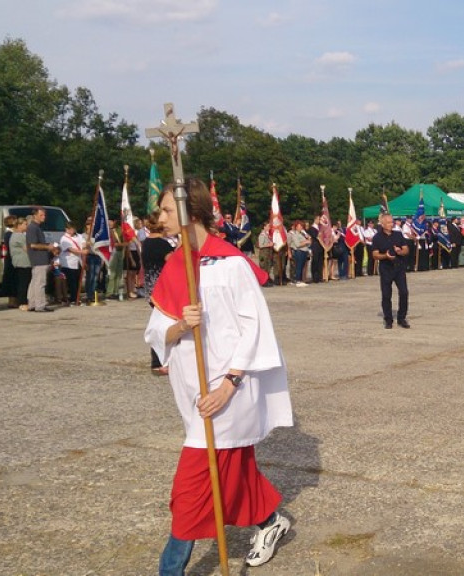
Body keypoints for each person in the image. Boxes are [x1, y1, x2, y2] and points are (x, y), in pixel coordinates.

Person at [144, 179, 292, 573]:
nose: (160, 217)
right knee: (232, 469)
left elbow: (255, 329)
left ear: (190, 212)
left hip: (229, 392)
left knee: (191, 489)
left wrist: (229, 385)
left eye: (167, 210)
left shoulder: (231, 264)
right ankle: (269, 520)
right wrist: (181, 325)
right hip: (193, 394)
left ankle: (170, 570)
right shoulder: (176, 263)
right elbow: (156, 332)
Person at [142, 210, 174, 375]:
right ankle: (159, 360)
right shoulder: (163, 244)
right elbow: (172, 262)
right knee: (164, 324)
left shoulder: (146, 242)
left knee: (159, 322)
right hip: (162, 288)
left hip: (150, 288)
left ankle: (159, 360)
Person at [371, 213, 411, 329]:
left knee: (404, 292)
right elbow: (375, 255)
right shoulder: (377, 237)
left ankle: (401, 318)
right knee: (386, 295)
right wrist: (385, 256)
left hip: (399, 267)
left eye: (392, 222)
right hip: (386, 268)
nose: (391, 224)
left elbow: (406, 249)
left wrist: (400, 252)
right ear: (382, 224)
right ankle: (388, 319)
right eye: (388, 222)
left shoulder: (398, 235)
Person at [26, 208, 58, 313]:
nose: (44, 217)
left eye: (44, 215)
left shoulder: (37, 227)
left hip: (39, 258)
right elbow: (33, 245)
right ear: (35, 216)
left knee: (35, 282)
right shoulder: (32, 228)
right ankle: (39, 305)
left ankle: (32, 304)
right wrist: (48, 247)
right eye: (41, 215)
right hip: (39, 258)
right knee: (40, 283)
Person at [58, 222, 86, 305]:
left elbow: (83, 243)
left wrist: (84, 247)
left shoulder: (79, 236)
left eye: (73, 229)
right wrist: (82, 251)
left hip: (78, 262)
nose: (71, 231)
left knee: (78, 281)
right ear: (66, 229)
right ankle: (73, 299)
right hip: (68, 263)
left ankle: (77, 297)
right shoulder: (64, 238)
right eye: (69, 229)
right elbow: (70, 249)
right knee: (71, 282)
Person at [8, 218, 31, 310]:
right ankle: (22, 302)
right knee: (23, 283)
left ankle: (22, 301)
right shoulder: (19, 236)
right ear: (19, 225)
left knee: (22, 282)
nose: (27, 226)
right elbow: (27, 248)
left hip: (19, 262)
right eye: (25, 224)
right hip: (23, 262)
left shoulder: (14, 235)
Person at [287, 220, 310, 286]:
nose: (301, 227)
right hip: (299, 251)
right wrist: (306, 242)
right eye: (299, 226)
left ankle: (300, 279)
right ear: (296, 227)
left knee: (302, 266)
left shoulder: (303, 234)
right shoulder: (294, 234)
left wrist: (307, 241)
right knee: (298, 266)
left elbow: (309, 241)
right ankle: (297, 280)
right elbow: (297, 244)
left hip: (304, 251)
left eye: (301, 226)